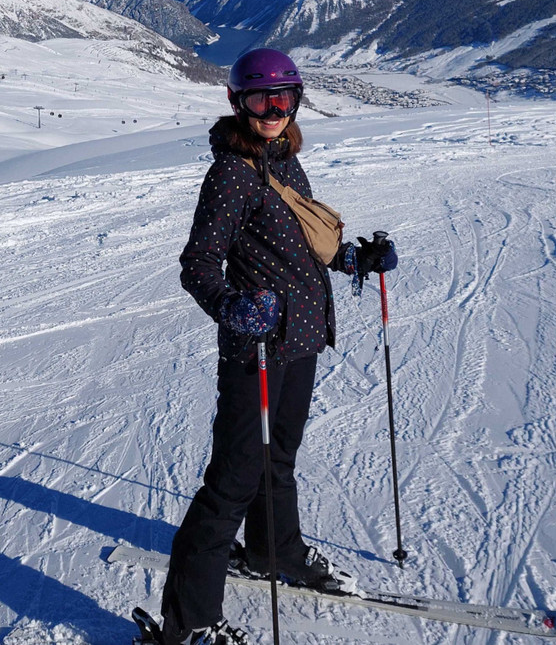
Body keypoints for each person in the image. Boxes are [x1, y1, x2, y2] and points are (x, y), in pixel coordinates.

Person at [162, 48, 397, 645]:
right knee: (232, 480)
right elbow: (198, 266)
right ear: (237, 103)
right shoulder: (233, 174)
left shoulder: (285, 161)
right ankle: (187, 626)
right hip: (257, 349)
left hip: (299, 339)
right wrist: (233, 307)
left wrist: (353, 258)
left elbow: (299, 245)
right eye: (260, 100)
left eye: (284, 98)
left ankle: (274, 555)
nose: (273, 110)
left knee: (278, 462)